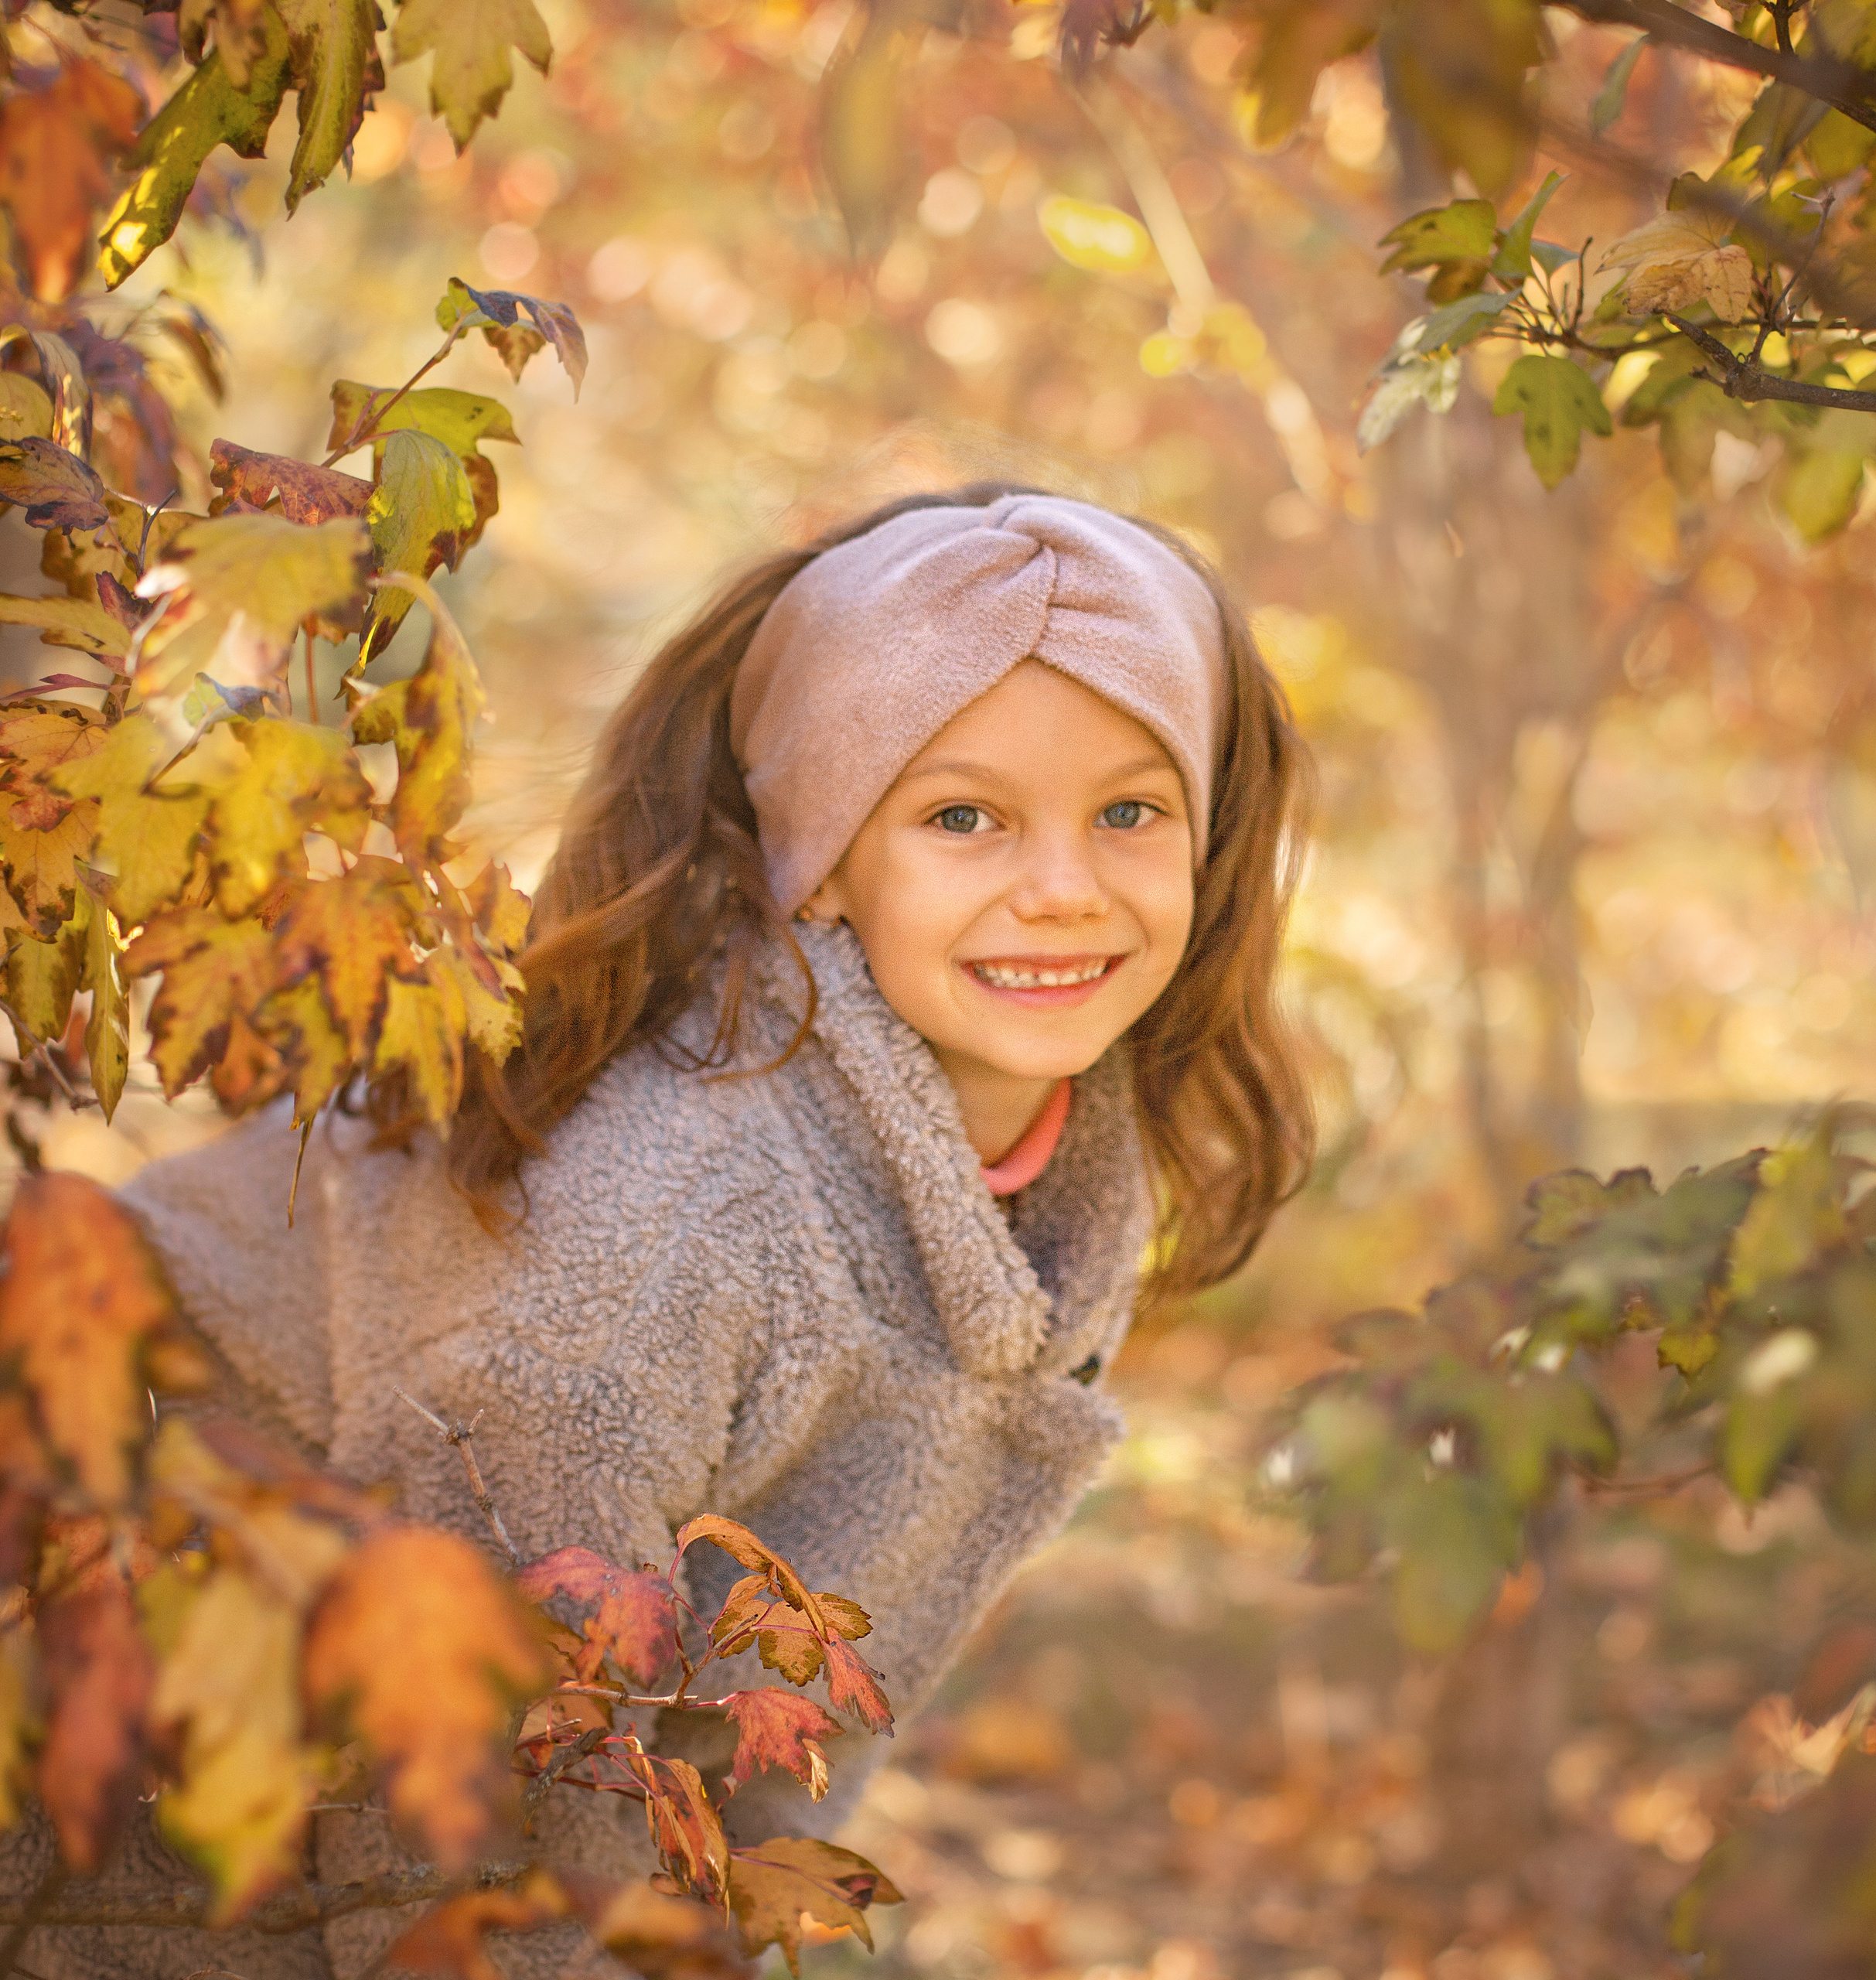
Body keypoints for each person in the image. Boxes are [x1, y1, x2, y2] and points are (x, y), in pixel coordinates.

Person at [17, 483, 1314, 1980]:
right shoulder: (669, 1226)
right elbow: (473, 1805)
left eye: (1130, 812)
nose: (1065, 890)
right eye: (963, 817)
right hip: (113, 1777)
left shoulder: (1041, 1164)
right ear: (819, 858)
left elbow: (773, 1709)